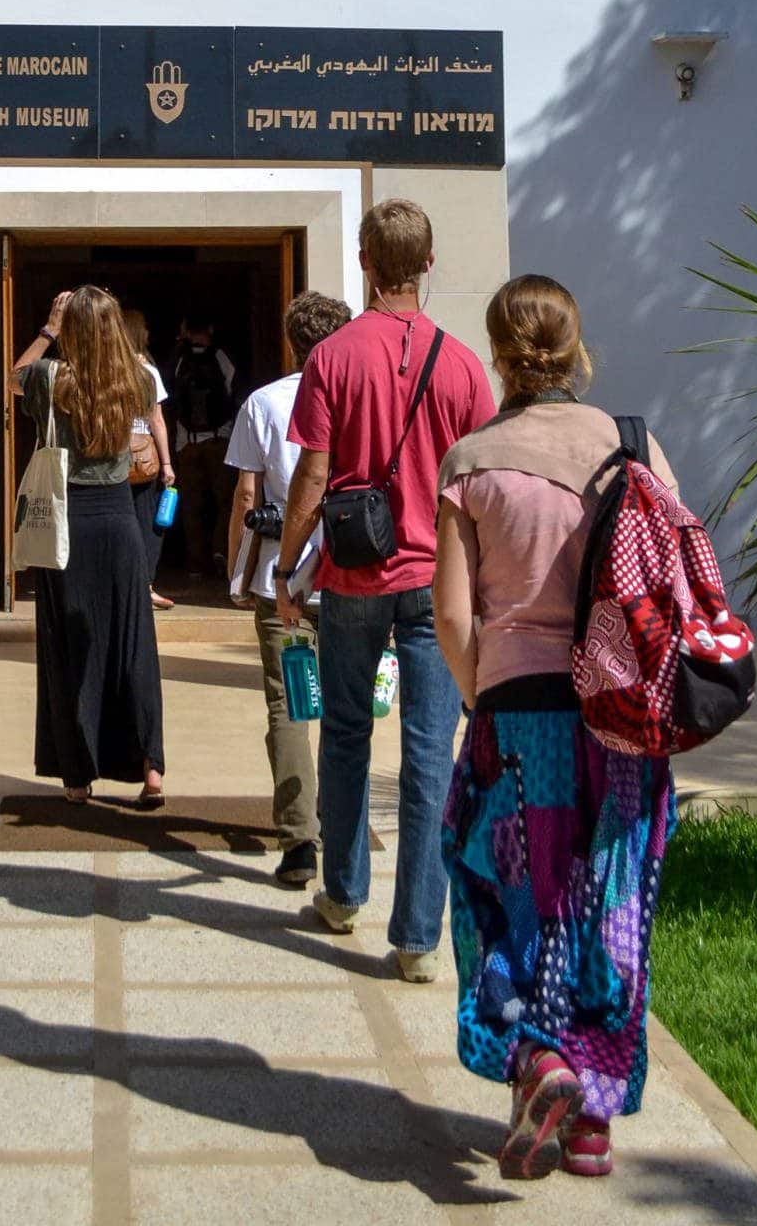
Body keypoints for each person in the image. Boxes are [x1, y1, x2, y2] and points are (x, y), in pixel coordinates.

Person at [434, 275, 679, 1182]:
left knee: (505, 892)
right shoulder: (635, 447)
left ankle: (535, 1059)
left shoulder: (470, 461)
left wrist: (478, 695)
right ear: (577, 349)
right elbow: (668, 591)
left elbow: (454, 620)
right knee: (607, 904)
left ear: (497, 353)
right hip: (618, 722)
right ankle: (591, 1126)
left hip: (516, 716)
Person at [275, 198, 492, 977]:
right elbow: (479, 483)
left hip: (354, 572)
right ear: (427, 265)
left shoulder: (332, 357)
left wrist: (284, 566)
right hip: (439, 580)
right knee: (432, 753)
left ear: (363, 261)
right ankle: (416, 941)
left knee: (342, 731)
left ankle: (340, 894)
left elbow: (312, 472)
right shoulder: (464, 366)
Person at [12, 286, 166, 805]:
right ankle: (151, 769)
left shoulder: (53, 379)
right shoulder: (139, 380)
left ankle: (78, 775)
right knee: (133, 644)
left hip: (68, 518)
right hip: (121, 520)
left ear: (73, 327)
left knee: (70, 645)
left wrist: (49, 329)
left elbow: (12, 378)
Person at [225, 288, 352, 888]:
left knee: (290, 704)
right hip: (352, 570)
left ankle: (299, 840)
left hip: (284, 575)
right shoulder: (362, 395)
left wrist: (236, 571)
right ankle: (339, 823)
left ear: (292, 342)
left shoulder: (264, 402)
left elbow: (248, 496)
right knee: (347, 707)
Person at [168, 317, 237, 576]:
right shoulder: (221, 357)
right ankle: (221, 551)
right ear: (210, 329)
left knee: (191, 506)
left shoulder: (179, 360)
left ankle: (195, 563)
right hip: (219, 440)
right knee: (225, 502)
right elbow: (231, 393)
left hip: (187, 443)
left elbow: (170, 398)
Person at [121, 308, 177, 612]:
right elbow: (157, 420)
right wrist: (167, 465)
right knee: (148, 523)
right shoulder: (146, 372)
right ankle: (145, 585)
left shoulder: (105, 369)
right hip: (142, 459)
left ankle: (119, 585)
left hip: (107, 456)